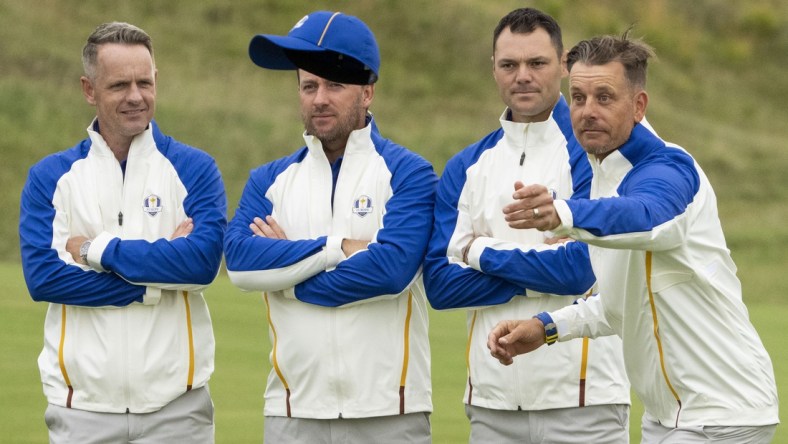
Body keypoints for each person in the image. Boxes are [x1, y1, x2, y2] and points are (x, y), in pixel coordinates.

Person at [488, 30, 779, 443]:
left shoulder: (670, 169)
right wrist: (546, 326)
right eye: (579, 97)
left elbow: (646, 217)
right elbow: (619, 305)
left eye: (604, 97)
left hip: (723, 412)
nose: (588, 111)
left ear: (638, 105)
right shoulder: (604, 176)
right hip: (667, 417)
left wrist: (564, 211)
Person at [223, 11, 436, 444]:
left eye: (334, 85)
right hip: (293, 411)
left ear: (368, 92)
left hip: (390, 412)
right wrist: (338, 248)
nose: (319, 98)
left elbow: (391, 272)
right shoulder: (268, 180)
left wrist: (289, 280)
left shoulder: (410, 174)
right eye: (308, 86)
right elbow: (242, 267)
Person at [423, 8, 629, 444]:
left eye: (537, 63)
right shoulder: (466, 166)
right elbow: (440, 286)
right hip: (492, 405)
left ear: (565, 66)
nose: (523, 76)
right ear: (494, 69)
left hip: (585, 400)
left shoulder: (594, 152)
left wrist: (478, 252)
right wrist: (546, 272)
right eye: (509, 65)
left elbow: (584, 269)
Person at [19, 22, 226, 443]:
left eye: (144, 82)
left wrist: (95, 251)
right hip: (82, 411)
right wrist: (153, 282)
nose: (136, 96)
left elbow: (203, 264)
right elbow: (44, 278)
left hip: (177, 412)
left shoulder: (196, 169)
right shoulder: (50, 177)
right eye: (119, 85)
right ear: (89, 89)